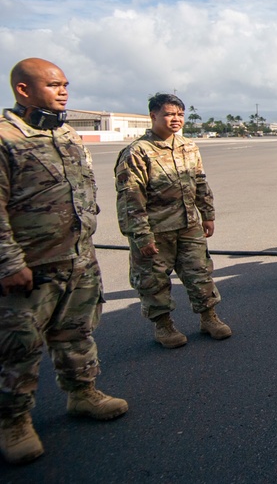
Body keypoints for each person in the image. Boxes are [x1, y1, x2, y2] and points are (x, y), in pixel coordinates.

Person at [0, 58, 128, 465]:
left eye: (65, 84)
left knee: (78, 333)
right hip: (29, 267)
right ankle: (14, 422)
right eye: (54, 85)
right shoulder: (6, 138)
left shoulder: (68, 134)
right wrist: (8, 263)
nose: (63, 91)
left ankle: (82, 393)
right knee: (18, 346)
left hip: (77, 258)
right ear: (23, 89)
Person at [115, 93, 231, 349]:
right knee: (154, 280)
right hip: (156, 230)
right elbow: (130, 198)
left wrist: (207, 214)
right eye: (169, 114)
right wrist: (141, 235)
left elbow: (200, 182)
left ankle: (208, 318)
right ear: (153, 116)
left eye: (180, 114)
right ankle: (163, 325)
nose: (176, 119)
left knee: (200, 273)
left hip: (189, 225)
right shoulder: (137, 152)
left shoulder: (189, 146)